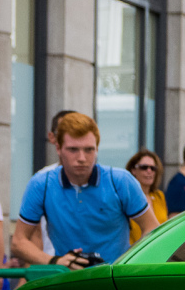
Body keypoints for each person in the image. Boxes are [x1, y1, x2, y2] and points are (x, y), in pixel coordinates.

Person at [12, 112, 158, 269]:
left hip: (114, 279)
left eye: (89, 150)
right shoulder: (41, 184)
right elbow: (18, 242)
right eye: (73, 149)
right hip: (68, 279)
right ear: (58, 148)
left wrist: (130, 263)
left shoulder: (121, 181)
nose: (82, 157)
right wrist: (55, 261)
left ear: (97, 149)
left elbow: (152, 229)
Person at [126, 149, 167, 246]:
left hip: (161, 249)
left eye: (153, 168)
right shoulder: (127, 197)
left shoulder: (159, 196)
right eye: (144, 167)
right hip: (135, 253)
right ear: (133, 170)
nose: (149, 171)